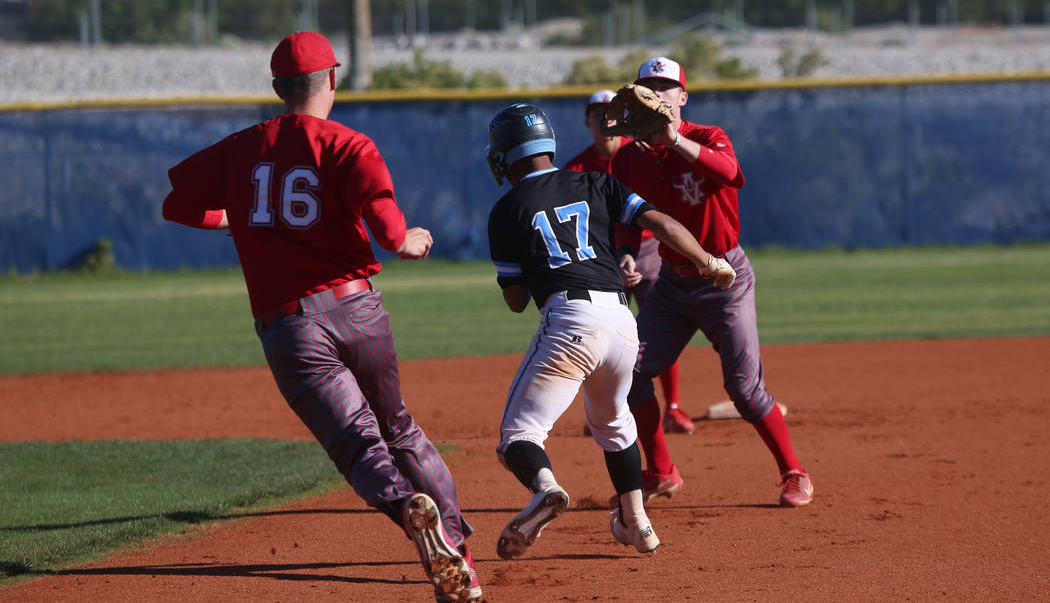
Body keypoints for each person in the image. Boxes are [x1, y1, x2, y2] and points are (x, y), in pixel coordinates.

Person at [161, 31, 482, 602]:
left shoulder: (240, 146)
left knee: (361, 448)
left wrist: (234, 218)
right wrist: (409, 240)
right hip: (358, 309)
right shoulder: (350, 145)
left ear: (279, 88)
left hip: (290, 327)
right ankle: (460, 556)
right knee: (400, 428)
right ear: (331, 79)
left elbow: (176, 203)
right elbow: (388, 234)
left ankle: (406, 507)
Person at [483, 103, 736, 560]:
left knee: (518, 437)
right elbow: (661, 223)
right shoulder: (595, 181)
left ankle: (545, 490)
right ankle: (637, 523)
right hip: (622, 323)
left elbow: (517, 301)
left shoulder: (506, 209)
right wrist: (708, 261)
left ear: (504, 155)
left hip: (570, 322)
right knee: (616, 426)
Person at [610, 56, 815, 508]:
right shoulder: (628, 157)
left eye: (665, 87)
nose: (656, 93)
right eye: (648, 86)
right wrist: (626, 254)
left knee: (744, 390)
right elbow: (626, 220)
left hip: (726, 279)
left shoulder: (708, 137)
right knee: (630, 373)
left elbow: (730, 175)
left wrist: (675, 139)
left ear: (683, 97)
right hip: (671, 284)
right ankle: (661, 471)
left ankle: (793, 472)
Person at [565, 89, 694, 435]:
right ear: (587, 121)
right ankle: (607, 412)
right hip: (602, 256)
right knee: (605, 337)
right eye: (597, 113)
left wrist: (633, 254)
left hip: (650, 249)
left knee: (657, 333)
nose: (605, 118)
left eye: (611, 112)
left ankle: (675, 408)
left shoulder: (641, 156)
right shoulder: (576, 169)